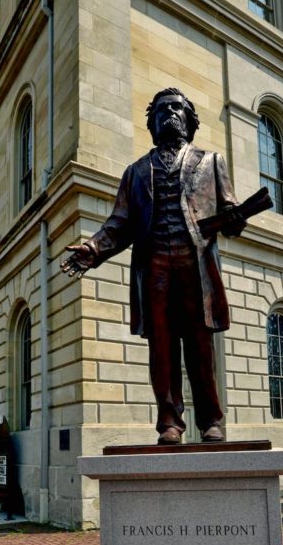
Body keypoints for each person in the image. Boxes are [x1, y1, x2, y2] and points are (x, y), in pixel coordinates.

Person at [61, 87, 246, 444]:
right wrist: (93, 248)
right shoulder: (135, 172)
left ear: (190, 120)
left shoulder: (211, 162)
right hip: (154, 266)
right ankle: (169, 422)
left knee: (199, 347)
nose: (169, 114)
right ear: (152, 122)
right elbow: (119, 224)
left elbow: (230, 210)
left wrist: (236, 219)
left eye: (177, 108)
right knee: (161, 348)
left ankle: (210, 420)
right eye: (161, 110)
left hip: (196, 266)